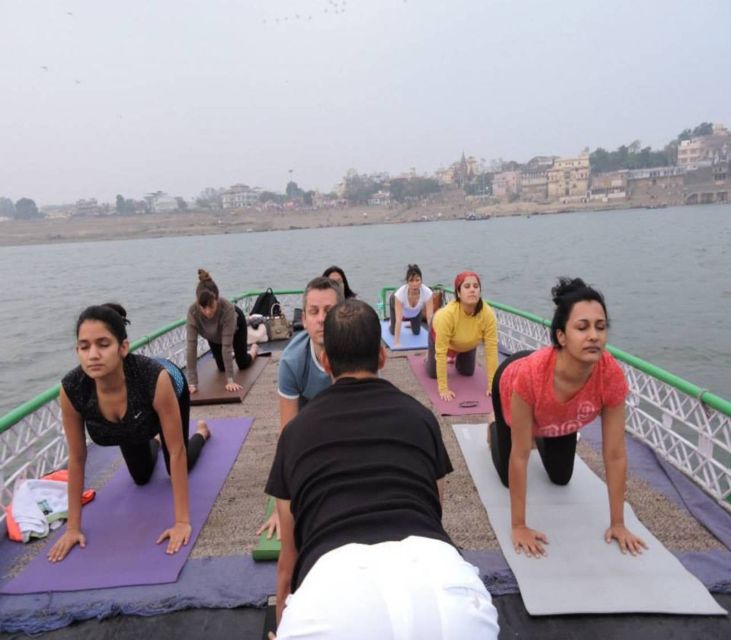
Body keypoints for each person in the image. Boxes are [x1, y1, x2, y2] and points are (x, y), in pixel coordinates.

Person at [266, 300, 499, 639]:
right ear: (382, 356)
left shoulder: (295, 433)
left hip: (330, 594)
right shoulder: (421, 418)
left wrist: (283, 625)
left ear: (327, 361)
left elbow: (289, 557)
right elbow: (434, 510)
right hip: (446, 592)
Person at [489, 277, 647, 558]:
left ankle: (542, 432)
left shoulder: (610, 376)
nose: (594, 336)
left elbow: (615, 455)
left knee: (561, 478)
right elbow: (521, 456)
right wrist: (519, 525)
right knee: (508, 474)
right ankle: (495, 431)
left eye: (601, 327)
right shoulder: (530, 376)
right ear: (561, 336)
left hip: (558, 416)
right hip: (511, 386)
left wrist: (618, 524)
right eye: (582, 327)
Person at [48, 303, 210, 562]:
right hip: (133, 422)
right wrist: (73, 529)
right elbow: (77, 459)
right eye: (84, 346)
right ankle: (154, 436)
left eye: (103, 344)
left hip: (170, 389)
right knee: (141, 476)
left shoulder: (153, 378)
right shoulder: (72, 389)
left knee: (175, 464)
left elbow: (178, 451)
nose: (92, 355)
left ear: (123, 347)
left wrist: (181, 522)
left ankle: (202, 433)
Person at [257, 276, 344, 540]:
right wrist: (280, 507)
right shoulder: (293, 362)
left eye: (328, 311)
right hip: (309, 419)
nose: (320, 319)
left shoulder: (356, 350)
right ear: (303, 320)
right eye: (313, 312)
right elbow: (288, 436)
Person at [426, 271, 498, 402]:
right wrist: (443, 389)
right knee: (433, 374)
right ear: (458, 293)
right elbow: (441, 353)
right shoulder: (447, 315)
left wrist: (492, 385)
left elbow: (491, 350)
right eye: (467, 286)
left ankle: (456, 357)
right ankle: (428, 358)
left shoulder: (488, 314)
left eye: (476, 286)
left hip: (468, 343)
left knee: (467, 372)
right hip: (439, 335)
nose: (472, 290)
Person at [186, 269, 257, 395]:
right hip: (213, 335)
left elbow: (227, 346)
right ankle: (230, 359)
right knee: (221, 367)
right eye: (203, 307)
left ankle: (253, 349)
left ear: (217, 299)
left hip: (235, 327)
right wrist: (192, 383)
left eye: (211, 307)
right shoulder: (193, 312)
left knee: (242, 363)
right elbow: (191, 347)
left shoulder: (227, 308)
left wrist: (230, 381)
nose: (208, 312)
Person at [388, 263, 434, 347]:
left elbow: (430, 318)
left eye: (417, 280)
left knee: (416, 332)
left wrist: (433, 342)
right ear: (407, 282)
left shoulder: (427, 293)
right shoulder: (399, 295)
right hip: (395, 303)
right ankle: (391, 321)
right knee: (393, 332)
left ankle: (412, 321)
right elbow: (399, 320)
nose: (415, 284)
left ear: (421, 280)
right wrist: (397, 343)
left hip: (415, 311)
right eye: (411, 281)